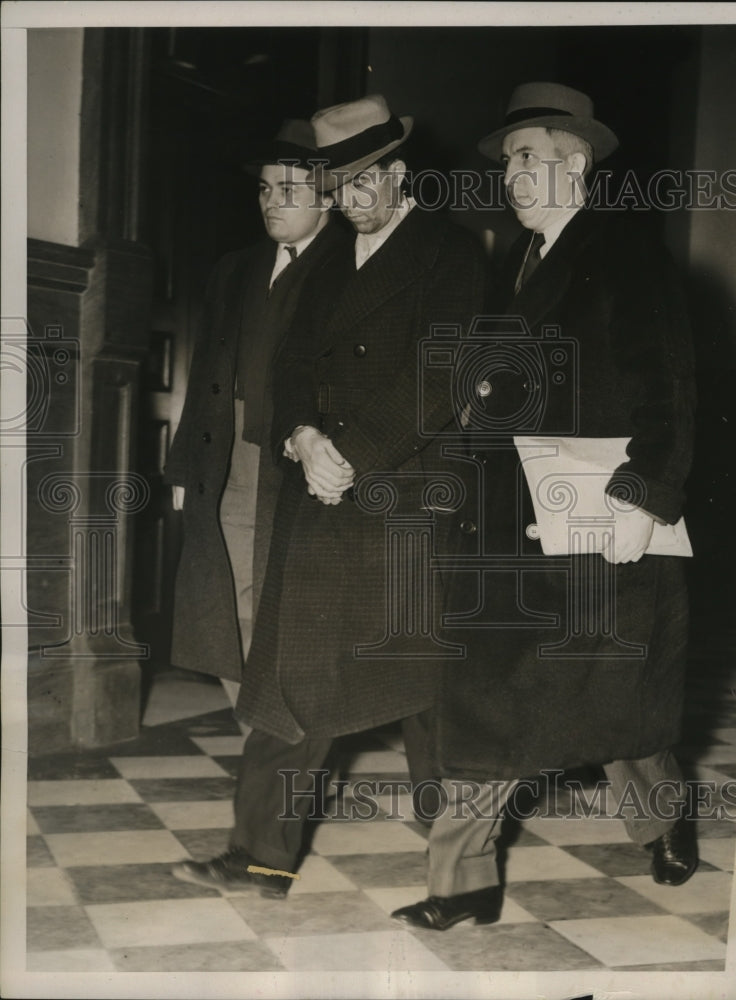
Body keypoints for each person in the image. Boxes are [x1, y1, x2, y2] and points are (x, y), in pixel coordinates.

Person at [393, 82, 698, 931]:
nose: (512, 174)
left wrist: (646, 499)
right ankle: (462, 886)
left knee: (618, 703)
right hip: (509, 524)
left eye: (526, 158)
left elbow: (668, 388)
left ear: (577, 163)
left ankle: (665, 820)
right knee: (486, 702)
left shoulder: (627, 251)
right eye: (509, 162)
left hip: (598, 516)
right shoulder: (512, 269)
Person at [172, 94, 489, 897]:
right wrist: (305, 438)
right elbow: (290, 373)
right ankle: (260, 856)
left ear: (399, 172)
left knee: (425, 692)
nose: (350, 198)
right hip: (322, 499)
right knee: (286, 680)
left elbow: (441, 374)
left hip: (406, 505)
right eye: (337, 184)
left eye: (363, 180)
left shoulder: (452, 257)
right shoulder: (328, 264)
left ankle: (459, 870)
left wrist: (353, 452)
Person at [164, 120, 347, 709]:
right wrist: (187, 466)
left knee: (292, 600)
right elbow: (206, 373)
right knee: (227, 587)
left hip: (307, 458)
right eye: (266, 189)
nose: (273, 201)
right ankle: (259, 734)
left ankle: (286, 736)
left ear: (327, 198)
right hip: (233, 456)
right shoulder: (235, 268)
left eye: (290, 189)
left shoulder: (351, 265)